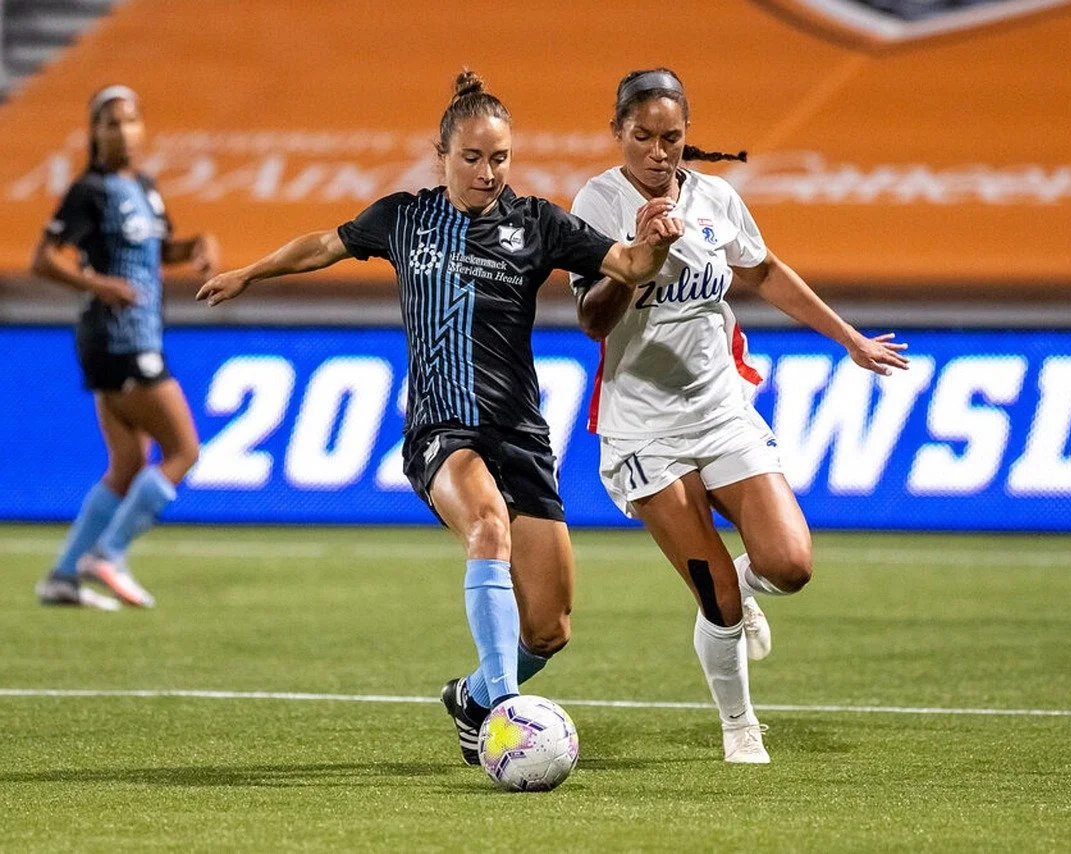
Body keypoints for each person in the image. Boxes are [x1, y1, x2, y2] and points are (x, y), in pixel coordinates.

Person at [197, 71, 683, 765]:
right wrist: (251, 272)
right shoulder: (405, 218)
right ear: (442, 156)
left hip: (520, 434)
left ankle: (476, 696)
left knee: (549, 630)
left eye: (501, 158)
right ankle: (511, 720)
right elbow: (324, 244)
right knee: (486, 527)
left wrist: (657, 244)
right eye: (473, 158)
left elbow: (629, 264)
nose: (488, 173)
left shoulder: (538, 224)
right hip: (442, 430)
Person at [570, 68, 909, 763]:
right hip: (644, 430)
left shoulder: (716, 198)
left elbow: (762, 271)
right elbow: (592, 320)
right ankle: (739, 726)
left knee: (790, 564)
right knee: (714, 592)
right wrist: (641, 258)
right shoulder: (597, 203)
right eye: (643, 137)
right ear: (617, 135)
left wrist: (848, 338)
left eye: (673, 138)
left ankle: (746, 590)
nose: (659, 153)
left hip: (721, 411)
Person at [34, 85, 217, 611]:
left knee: (128, 464)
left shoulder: (144, 186)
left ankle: (64, 575)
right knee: (183, 450)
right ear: (94, 132)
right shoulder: (89, 190)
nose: (123, 131)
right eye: (111, 122)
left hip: (131, 337)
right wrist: (99, 285)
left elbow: (158, 250)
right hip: (120, 337)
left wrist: (199, 246)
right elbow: (44, 258)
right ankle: (109, 554)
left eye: (131, 120)